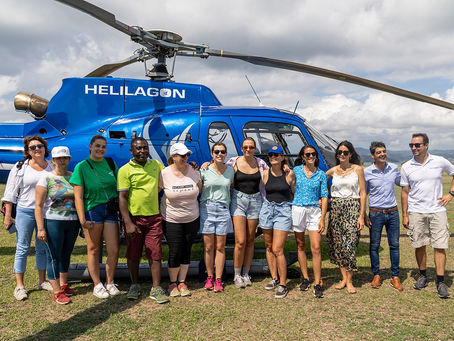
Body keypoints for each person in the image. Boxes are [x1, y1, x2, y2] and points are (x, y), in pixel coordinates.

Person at [401, 133, 454, 299]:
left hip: (437, 210)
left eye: (417, 145)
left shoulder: (440, 161)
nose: (414, 148)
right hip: (416, 211)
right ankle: (423, 275)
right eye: (412, 145)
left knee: (439, 245)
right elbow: (404, 191)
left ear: (426, 145)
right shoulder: (406, 166)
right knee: (419, 245)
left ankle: (440, 281)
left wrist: (451, 193)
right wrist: (405, 214)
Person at [117, 137, 169, 304]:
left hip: (154, 217)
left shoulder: (156, 165)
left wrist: (193, 167)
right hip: (134, 219)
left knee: (155, 253)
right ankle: (134, 285)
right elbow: (122, 198)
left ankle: (156, 287)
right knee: (133, 253)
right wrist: (128, 223)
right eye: (138, 149)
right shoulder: (125, 170)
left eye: (145, 148)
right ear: (131, 151)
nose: (142, 151)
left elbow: (171, 173)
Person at [2, 135, 53, 301]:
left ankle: (42, 281)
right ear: (28, 151)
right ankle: (19, 286)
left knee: (42, 247)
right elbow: (9, 194)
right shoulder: (20, 168)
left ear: (45, 148)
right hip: (25, 211)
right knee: (22, 247)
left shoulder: (51, 167)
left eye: (40, 146)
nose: (37, 149)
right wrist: (8, 217)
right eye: (32, 147)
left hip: (45, 212)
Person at [70, 135, 120, 299]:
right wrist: (82, 219)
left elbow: (120, 186)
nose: (100, 149)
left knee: (113, 249)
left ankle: (110, 282)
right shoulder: (82, 166)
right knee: (93, 249)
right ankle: (97, 284)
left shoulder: (111, 164)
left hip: (110, 210)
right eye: (97, 146)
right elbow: (78, 196)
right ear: (90, 146)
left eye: (103, 147)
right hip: (93, 210)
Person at [35, 146, 79, 304]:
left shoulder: (73, 176)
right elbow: (39, 206)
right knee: (53, 256)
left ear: (68, 159)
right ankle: (56, 291)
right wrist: (41, 228)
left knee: (66, 254)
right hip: (53, 221)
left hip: (72, 222)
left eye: (65, 158)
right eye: (58, 158)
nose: (62, 161)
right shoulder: (45, 178)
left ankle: (64, 284)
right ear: (52, 160)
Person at [159, 142, 202, 297]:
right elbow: (156, 191)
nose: (185, 158)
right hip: (171, 218)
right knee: (175, 249)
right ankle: (172, 283)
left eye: (187, 155)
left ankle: (182, 282)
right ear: (173, 157)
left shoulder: (193, 170)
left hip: (192, 217)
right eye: (182, 155)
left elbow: (200, 188)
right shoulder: (164, 173)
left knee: (186, 249)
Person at [226, 137, 268, 288]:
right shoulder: (233, 162)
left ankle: (246, 273)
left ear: (255, 149)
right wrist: (207, 164)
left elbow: (272, 174)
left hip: (255, 201)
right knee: (240, 241)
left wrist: (284, 169)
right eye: (245, 147)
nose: (248, 150)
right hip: (238, 201)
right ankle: (236, 275)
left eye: (251, 147)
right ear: (241, 148)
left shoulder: (260, 163)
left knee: (250, 240)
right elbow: (219, 169)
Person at [326, 140, 366, 294]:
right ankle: (343, 278)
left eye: (345, 152)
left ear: (351, 154)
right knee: (337, 245)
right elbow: (317, 179)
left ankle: (350, 281)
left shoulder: (358, 169)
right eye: (340, 152)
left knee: (349, 244)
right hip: (336, 208)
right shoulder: (333, 171)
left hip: (352, 207)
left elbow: (362, 193)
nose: (342, 155)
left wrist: (361, 215)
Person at [364, 142, 403, 291]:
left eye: (384, 151)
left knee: (395, 245)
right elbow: (364, 194)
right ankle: (376, 275)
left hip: (393, 212)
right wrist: (364, 215)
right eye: (379, 152)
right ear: (373, 155)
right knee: (374, 245)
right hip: (375, 213)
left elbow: (402, 183)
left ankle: (395, 276)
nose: (382, 154)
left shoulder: (393, 168)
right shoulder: (367, 172)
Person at [291, 145, 328, 298]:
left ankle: (318, 282)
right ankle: (305, 277)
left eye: (313, 154)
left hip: (314, 211)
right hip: (298, 209)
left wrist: (323, 218)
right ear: (303, 156)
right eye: (307, 154)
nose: (310, 156)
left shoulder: (320, 174)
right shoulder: (296, 171)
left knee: (316, 247)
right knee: (300, 244)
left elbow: (324, 195)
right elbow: (290, 185)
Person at [259, 145, 295, 299]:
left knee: (278, 248)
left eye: (276, 155)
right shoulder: (266, 173)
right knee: (268, 246)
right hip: (267, 209)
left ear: (282, 157)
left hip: (283, 211)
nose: (273, 157)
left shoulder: (289, 174)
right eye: (271, 155)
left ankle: (283, 284)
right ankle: (274, 278)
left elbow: (294, 193)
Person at [200, 142, 234, 293]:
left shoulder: (231, 171)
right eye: (216, 152)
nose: (220, 154)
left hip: (223, 209)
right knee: (208, 247)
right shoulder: (205, 170)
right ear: (212, 154)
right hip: (207, 209)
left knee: (220, 247)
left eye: (223, 152)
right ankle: (209, 277)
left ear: (226, 154)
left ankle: (218, 279)